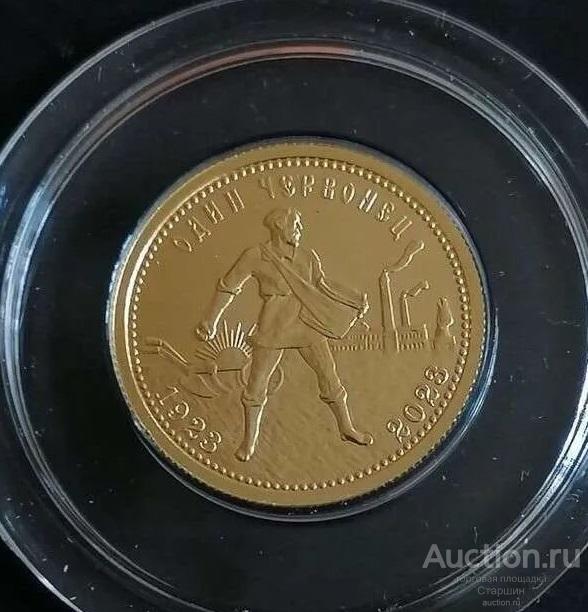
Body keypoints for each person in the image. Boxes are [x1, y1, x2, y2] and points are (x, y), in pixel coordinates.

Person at [196, 207, 373, 461]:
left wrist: (354, 299)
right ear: (279, 225)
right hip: (273, 326)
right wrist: (211, 320)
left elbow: (322, 285)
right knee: (257, 384)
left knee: (329, 375)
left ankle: (346, 428)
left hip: (306, 323)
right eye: (295, 224)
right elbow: (229, 286)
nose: (300, 229)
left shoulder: (307, 257)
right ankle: (249, 441)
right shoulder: (255, 256)